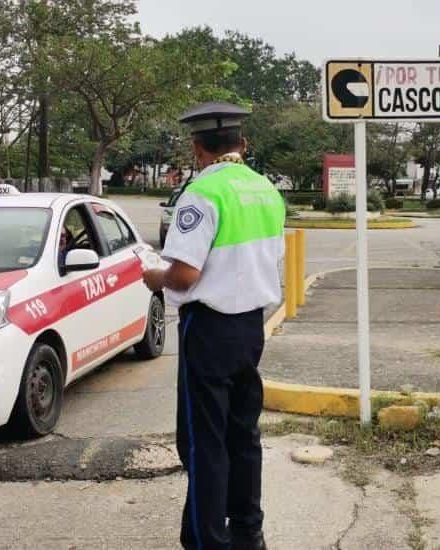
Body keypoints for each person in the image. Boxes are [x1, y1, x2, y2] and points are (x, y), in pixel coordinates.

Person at [143, 102, 285, 550]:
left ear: (198, 149)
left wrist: (155, 277)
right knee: (243, 435)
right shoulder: (266, 190)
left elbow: (183, 275)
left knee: (204, 444)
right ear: (242, 144)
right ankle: (248, 534)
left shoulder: (202, 194)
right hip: (250, 328)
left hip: (209, 329)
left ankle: (210, 542)